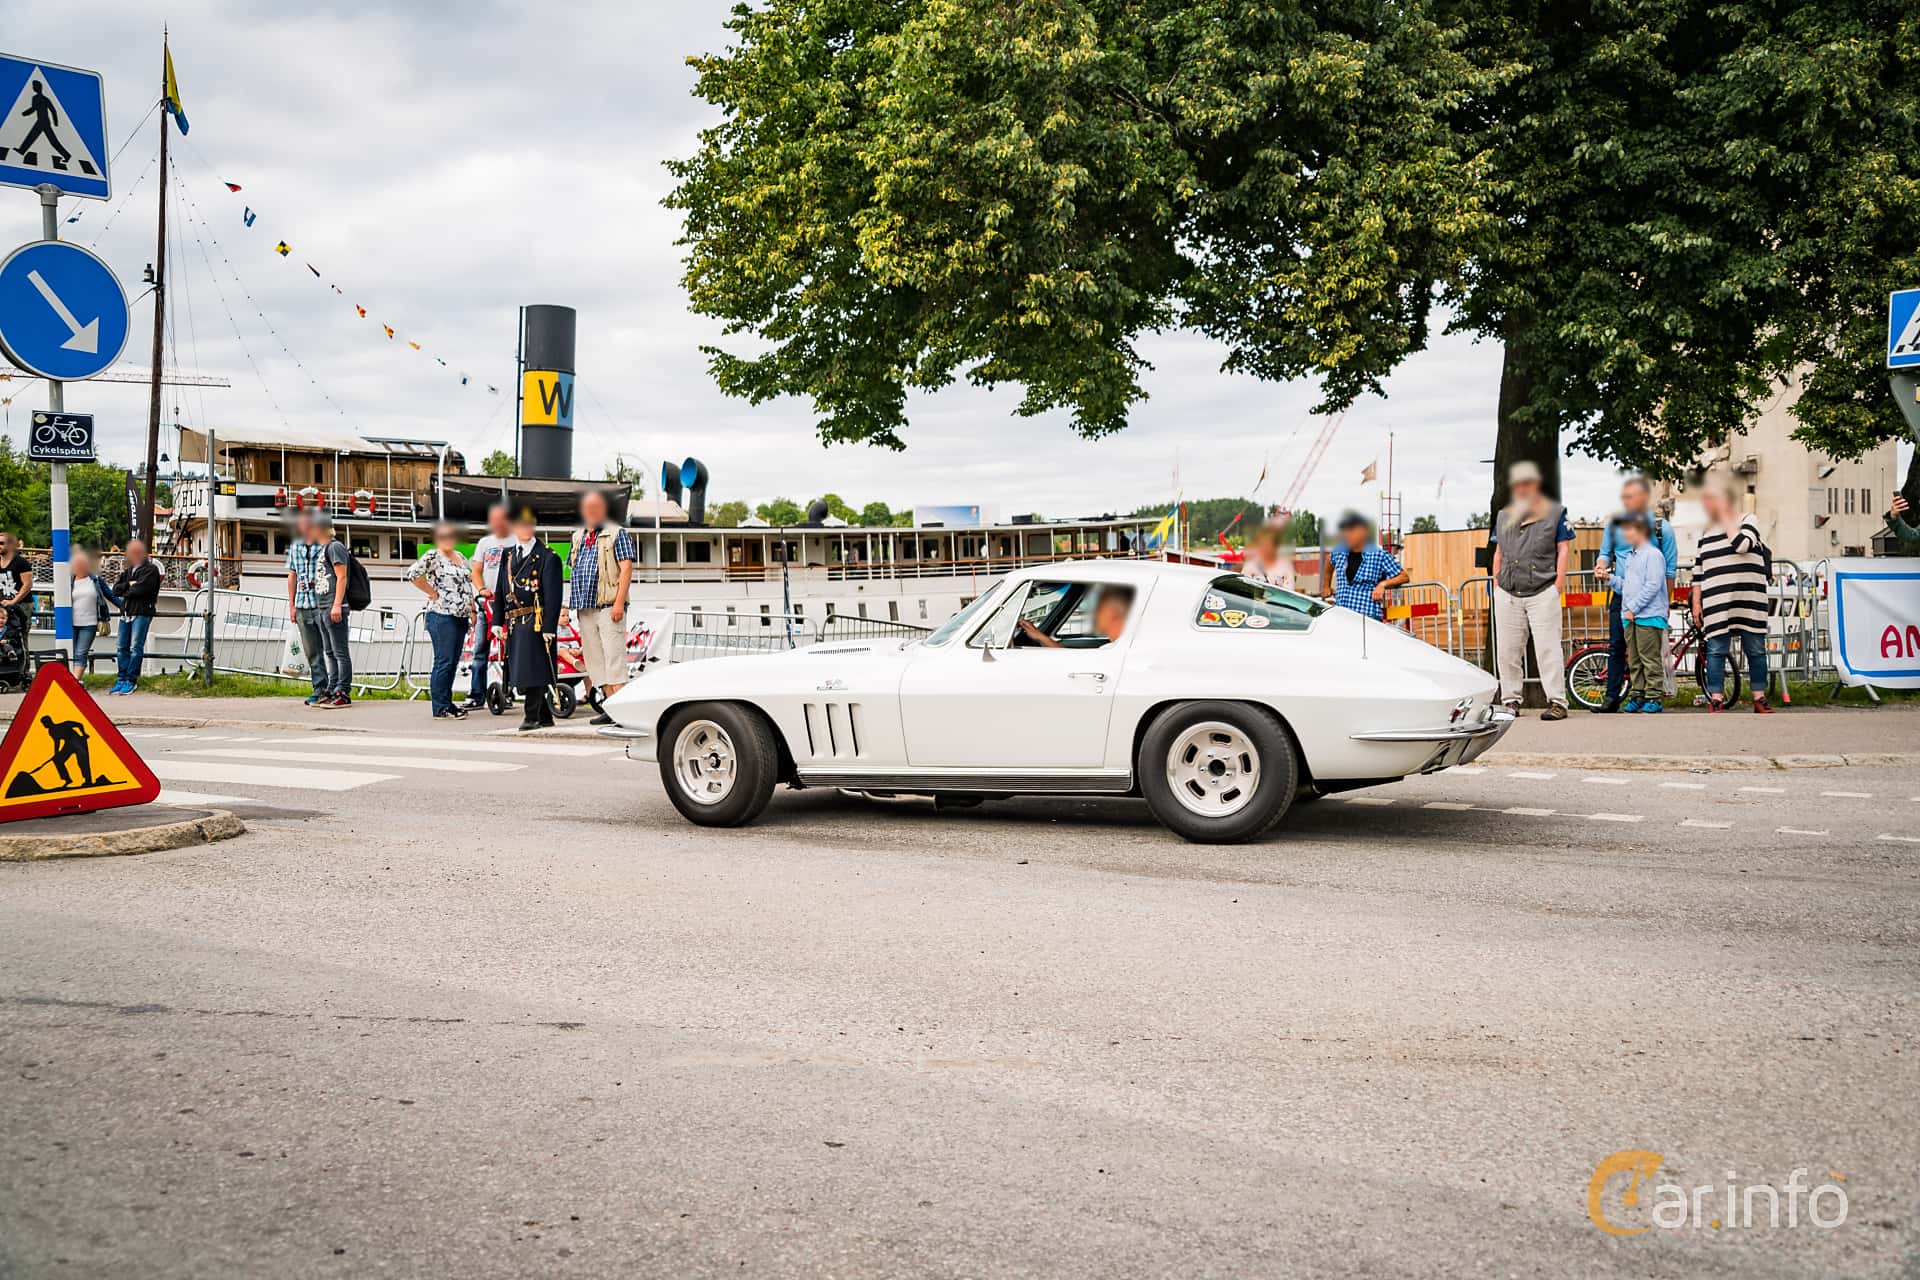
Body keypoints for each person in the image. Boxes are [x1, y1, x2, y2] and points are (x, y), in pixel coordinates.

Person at [1489, 462, 1575, 720]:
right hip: (1507, 590)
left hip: (1542, 589)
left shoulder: (1556, 513)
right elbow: (1499, 552)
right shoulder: (1504, 515)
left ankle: (1558, 701)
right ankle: (1511, 701)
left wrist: (1557, 585)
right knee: (1507, 650)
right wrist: (1496, 584)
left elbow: (1563, 549)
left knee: (1548, 648)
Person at [1592, 476, 1678, 712]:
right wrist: (1602, 568)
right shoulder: (1615, 526)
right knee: (1619, 647)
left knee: (1648, 652)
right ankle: (1614, 697)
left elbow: (1669, 571)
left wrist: (1666, 602)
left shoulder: (1662, 529)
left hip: (1650, 602)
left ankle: (1651, 696)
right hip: (1623, 596)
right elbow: (1604, 553)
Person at [1691, 481, 1774, 713]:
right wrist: (1697, 602)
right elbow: (1698, 572)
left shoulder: (1748, 520)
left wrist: (1728, 520)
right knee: (1716, 649)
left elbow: (1742, 544)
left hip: (1749, 600)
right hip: (1717, 602)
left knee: (1755, 649)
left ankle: (1759, 697)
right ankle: (1716, 698)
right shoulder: (1706, 533)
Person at [561, 490, 636, 726]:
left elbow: (626, 569)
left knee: (614, 659)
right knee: (595, 661)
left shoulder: (616, 534)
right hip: (584, 609)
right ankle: (610, 709)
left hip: (607, 606)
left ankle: (624, 712)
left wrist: (618, 603)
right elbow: (574, 569)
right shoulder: (578, 537)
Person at [496, 507, 563, 732]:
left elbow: (554, 596)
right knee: (521, 670)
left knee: (534, 669)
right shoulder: (508, 555)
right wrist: (497, 621)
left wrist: (549, 626)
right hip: (515, 621)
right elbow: (500, 591)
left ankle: (531, 715)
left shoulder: (547, 556)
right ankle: (544, 714)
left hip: (536, 620)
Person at [406, 522, 476, 719]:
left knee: (453, 661)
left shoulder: (460, 557)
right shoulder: (433, 556)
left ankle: (448, 701)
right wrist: (432, 592)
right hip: (442, 614)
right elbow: (413, 574)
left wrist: (472, 609)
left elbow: (466, 585)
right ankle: (440, 706)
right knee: (443, 661)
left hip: (460, 615)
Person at [1600, 514, 1667, 713]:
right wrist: (1610, 579)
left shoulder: (1653, 555)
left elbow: (1653, 585)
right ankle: (1638, 694)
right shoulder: (1631, 556)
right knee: (1635, 660)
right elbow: (1627, 585)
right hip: (1630, 616)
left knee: (1649, 658)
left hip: (1647, 616)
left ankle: (1654, 696)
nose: (1625, 534)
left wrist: (1633, 608)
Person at [466, 503, 514, 708]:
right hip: (488, 604)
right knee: (480, 650)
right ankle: (476, 694)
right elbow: (476, 571)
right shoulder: (485, 543)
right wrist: (481, 589)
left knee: (511, 651)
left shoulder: (517, 540)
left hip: (510, 605)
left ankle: (508, 692)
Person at [1319, 513, 1408, 622]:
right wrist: (1326, 585)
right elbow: (1329, 559)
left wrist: (1383, 584)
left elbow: (1404, 576)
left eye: (1351, 530)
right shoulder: (1339, 551)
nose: (1347, 534)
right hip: (1342, 616)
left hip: (1367, 619)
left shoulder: (1378, 555)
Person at [285, 512, 333, 706]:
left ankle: (337, 689)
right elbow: (292, 574)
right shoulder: (295, 546)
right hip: (303, 605)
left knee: (330, 649)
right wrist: (292, 605)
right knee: (312, 651)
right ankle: (319, 688)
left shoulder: (324, 545)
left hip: (322, 604)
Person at [308, 513, 354, 708]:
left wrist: (337, 604)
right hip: (323, 605)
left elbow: (341, 577)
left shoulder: (335, 547)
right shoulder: (323, 549)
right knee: (330, 651)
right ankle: (333, 687)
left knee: (340, 651)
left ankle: (343, 690)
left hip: (334, 607)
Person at [108, 539, 161, 694]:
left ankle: (131, 679)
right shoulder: (129, 571)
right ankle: (122, 678)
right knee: (121, 647)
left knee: (135, 647)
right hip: (127, 611)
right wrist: (129, 585)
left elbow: (140, 589)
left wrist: (128, 588)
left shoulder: (151, 570)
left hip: (142, 611)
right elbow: (115, 590)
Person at [1017, 585, 1133, 647]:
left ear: (1112, 615)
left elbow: (1073, 660)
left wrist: (1039, 637)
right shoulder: (1117, 647)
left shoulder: (1114, 651)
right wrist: (1039, 636)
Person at [68, 549, 118, 675]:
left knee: (81, 652)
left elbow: (111, 596)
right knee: (71, 652)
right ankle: (71, 680)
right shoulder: (70, 581)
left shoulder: (95, 580)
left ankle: (75, 680)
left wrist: (126, 607)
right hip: (71, 622)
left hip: (89, 623)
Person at [0, 530, 35, 647]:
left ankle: (23, 664)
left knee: (20, 637)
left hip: (22, 605)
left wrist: (13, 601)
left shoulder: (21, 562)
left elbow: (28, 585)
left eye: (1, 543)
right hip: (3, 605)